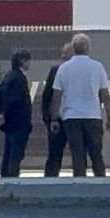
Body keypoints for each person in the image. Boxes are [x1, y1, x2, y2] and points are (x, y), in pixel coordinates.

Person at [49, 33, 110, 177]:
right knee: (96, 153)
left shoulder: (64, 68)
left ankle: (79, 183)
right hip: (92, 115)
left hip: (71, 116)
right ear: (88, 47)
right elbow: (105, 95)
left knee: (77, 154)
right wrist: (109, 117)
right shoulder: (97, 67)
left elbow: (57, 96)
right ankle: (101, 184)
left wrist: (54, 118)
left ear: (74, 47)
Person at [0, 50, 33, 178]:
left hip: (10, 122)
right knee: (16, 153)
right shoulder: (19, 78)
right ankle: (12, 177)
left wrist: (2, 113)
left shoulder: (8, 76)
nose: (29, 64)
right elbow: (17, 100)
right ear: (23, 61)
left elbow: (0, 94)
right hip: (19, 121)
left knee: (9, 151)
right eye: (28, 61)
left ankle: (5, 176)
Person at [40, 42, 74, 177]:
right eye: (64, 55)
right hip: (58, 118)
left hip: (74, 117)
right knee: (54, 153)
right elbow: (47, 95)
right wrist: (48, 118)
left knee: (79, 153)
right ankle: (50, 179)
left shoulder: (81, 70)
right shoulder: (56, 70)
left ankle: (80, 180)